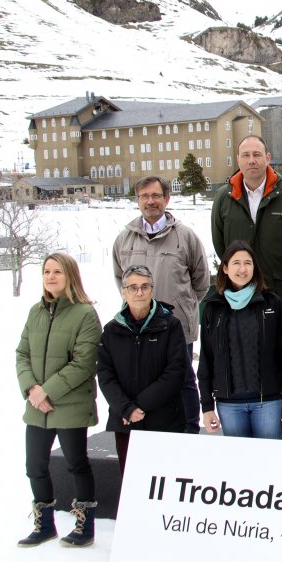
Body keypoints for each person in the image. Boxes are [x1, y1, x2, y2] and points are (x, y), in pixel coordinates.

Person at [211, 134, 282, 440]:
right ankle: (253, 424)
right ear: (238, 160)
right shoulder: (224, 198)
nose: (251, 160)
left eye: (257, 154)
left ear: (268, 158)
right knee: (246, 359)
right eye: (245, 155)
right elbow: (223, 248)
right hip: (239, 300)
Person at [15, 253, 100, 548]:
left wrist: (46, 391)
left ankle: (84, 525)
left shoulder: (85, 314)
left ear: (71, 276)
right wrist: (31, 390)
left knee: (76, 463)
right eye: (46, 272)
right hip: (37, 406)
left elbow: (83, 362)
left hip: (69, 404)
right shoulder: (35, 312)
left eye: (57, 272)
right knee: (35, 465)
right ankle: (45, 524)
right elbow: (22, 354)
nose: (50, 277)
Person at [113, 175, 210, 433]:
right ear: (137, 201)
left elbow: (201, 280)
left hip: (178, 327)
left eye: (156, 195)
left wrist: (182, 305)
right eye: (144, 196)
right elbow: (119, 278)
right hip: (139, 327)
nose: (151, 201)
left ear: (167, 199)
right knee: (144, 381)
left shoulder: (185, 236)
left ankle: (189, 429)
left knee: (184, 378)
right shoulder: (125, 239)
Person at [198, 241, 282, 439]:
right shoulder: (213, 307)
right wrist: (207, 406)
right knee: (238, 465)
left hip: (268, 402)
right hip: (229, 405)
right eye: (236, 263)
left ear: (255, 267)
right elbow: (207, 359)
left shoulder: (271, 303)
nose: (242, 269)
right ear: (225, 268)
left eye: (248, 263)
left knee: (269, 462)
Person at [96, 265, 188, 472]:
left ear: (152, 290)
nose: (139, 292)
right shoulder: (112, 330)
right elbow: (105, 375)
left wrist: (140, 405)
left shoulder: (170, 325)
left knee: (164, 481)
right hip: (126, 421)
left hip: (164, 421)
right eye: (133, 287)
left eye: (145, 287)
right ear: (123, 292)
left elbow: (176, 371)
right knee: (131, 481)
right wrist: (127, 408)